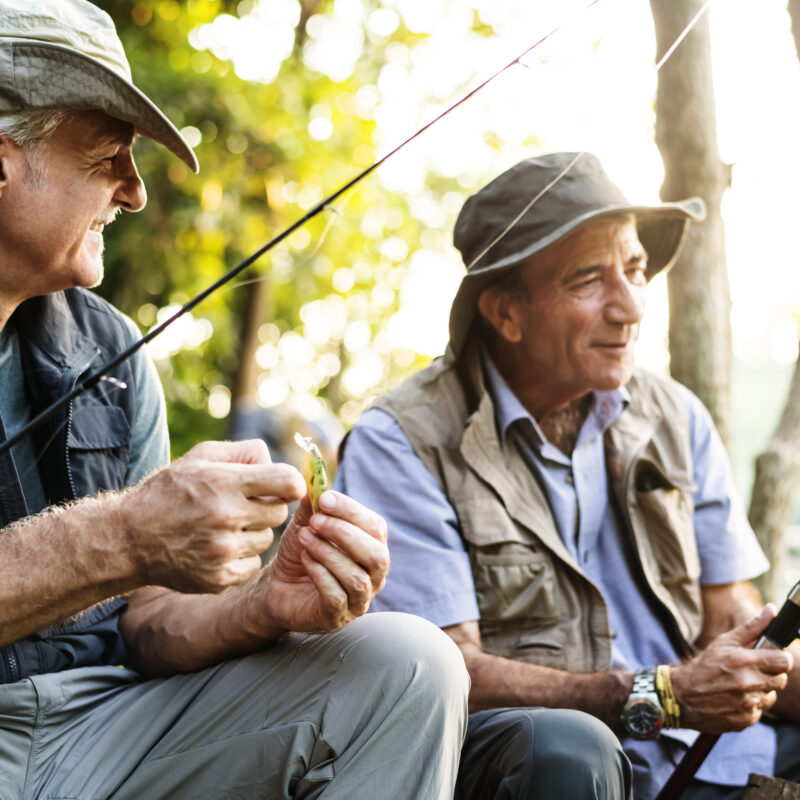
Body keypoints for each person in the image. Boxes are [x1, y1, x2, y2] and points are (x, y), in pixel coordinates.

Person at [0, 2, 469, 798]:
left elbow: (144, 622)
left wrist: (262, 603)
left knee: (408, 665)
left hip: (99, 724)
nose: (136, 192)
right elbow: (124, 547)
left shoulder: (110, 352)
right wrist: (122, 533)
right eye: (107, 158)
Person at [336, 151, 800, 800]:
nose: (630, 307)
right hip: (555, 769)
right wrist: (659, 697)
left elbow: (728, 609)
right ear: (505, 313)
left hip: (715, 761)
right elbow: (445, 673)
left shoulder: (676, 414)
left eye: (635, 270)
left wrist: (769, 663)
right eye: (589, 280)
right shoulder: (404, 441)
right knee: (565, 748)